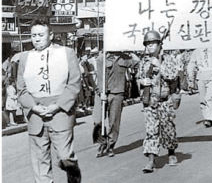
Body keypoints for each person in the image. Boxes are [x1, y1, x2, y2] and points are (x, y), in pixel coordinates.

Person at [17, 19, 82, 183]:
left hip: (60, 113)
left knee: (66, 157)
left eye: (40, 35)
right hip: (36, 115)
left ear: (51, 35)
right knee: (40, 162)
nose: (36, 39)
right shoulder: (25, 58)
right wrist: (33, 107)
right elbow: (21, 89)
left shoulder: (66, 53)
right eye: (33, 35)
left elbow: (74, 83)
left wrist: (57, 105)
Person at [137, 30, 182, 173]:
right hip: (150, 101)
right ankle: (151, 160)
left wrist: (159, 66)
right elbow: (138, 77)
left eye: (152, 43)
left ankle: (171, 152)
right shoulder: (144, 61)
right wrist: (142, 81)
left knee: (168, 129)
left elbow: (173, 75)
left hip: (165, 100)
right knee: (151, 131)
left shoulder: (167, 58)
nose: (149, 46)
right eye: (147, 44)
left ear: (159, 44)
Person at [95, 51, 139, 158]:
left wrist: (132, 51)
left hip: (118, 93)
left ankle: (110, 145)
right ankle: (102, 142)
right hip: (103, 93)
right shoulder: (102, 58)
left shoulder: (125, 58)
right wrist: (102, 92)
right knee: (97, 120)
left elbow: (137, 63)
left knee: (114, 121)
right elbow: (100, 77)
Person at [187, 48, 212, 127]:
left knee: (209, 97)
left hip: (211, 75)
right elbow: (191, 64)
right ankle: (205, 116)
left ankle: (209, 118)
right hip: (201, 75)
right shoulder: (197, 51)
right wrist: (191, 77)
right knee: (202, 99)